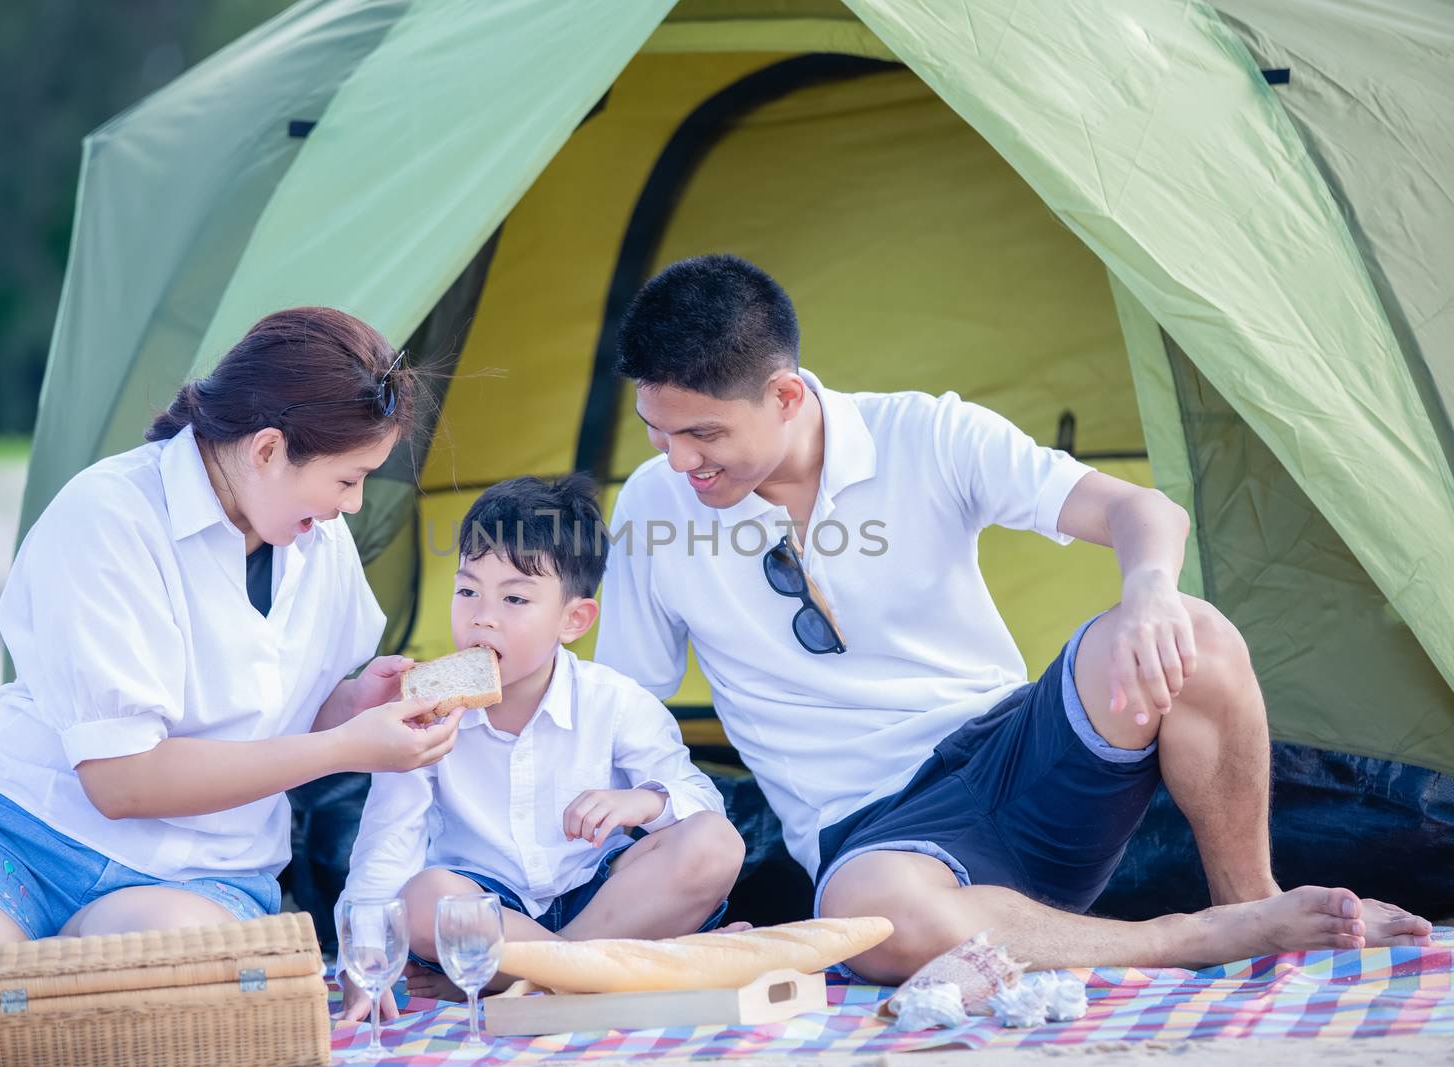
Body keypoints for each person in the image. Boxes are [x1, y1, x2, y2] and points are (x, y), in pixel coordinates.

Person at [595, 254, 1433, 984]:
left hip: (1018, 753)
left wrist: (1147, 591)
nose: (678, 460)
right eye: (656, 432)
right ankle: (1188, 938)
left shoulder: (926, 432)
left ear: (783, 395)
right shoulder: (652, 506)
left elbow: (1144, 511)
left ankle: (1250, 903)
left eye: (702, 433)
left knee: (1197, 633)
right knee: (871, 916)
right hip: (881, 838)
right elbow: (627, 705)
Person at [0, 307, 460, 1065]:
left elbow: (281, 718)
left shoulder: (317, 543)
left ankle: (24, 990)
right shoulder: (107, 516)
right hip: (25, 836)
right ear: (268, 448)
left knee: (152, 1009)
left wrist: (352, 707)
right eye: (348, 478)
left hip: (199, 877)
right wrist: (342, 744)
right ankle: (19, 969)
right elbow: (120, 777)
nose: (352, 505)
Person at [339, 474, 743, 1018]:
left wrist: (644, 802)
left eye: (514, 598)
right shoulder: (422, 714)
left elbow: (702, 803)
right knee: (423, 897)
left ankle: (539, 982)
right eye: (467, 590)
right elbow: (388, 839)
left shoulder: (615, 701)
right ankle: (627, 971)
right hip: (491, 915)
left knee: (714, 842)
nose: (482, 614)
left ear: (573, 619)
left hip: (601, 899)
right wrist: (366, 951)